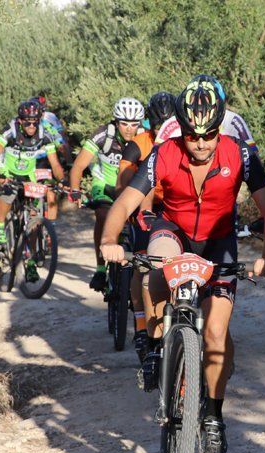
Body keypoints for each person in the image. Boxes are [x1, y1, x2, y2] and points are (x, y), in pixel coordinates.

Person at [99, 75, 265, 453]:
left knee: (216, 335)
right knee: (156, 266)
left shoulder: (240, 154)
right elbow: (125, 203)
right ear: (181, 128)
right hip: (174, 230)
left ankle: (213, 417)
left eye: (209, 135)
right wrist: (108, 241)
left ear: (220, 128)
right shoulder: (164, 153)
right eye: (193, 135)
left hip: (219, 240)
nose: (200, 144)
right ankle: (156, 340)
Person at [117, 91, 176, 360]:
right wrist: (136, 209)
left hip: (175, 206)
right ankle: (142, 324)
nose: (162, 129)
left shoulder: (183, 140)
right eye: (156, 124)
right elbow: (123, 184)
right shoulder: (139, 143)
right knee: (142, 266)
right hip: (144, 206)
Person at [69, 97, 146, 292]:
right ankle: (101, 268)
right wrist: (75, 190)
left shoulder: (144, 136)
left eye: (134, 124)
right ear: (116, 121)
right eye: (124, 123)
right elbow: (79, 164)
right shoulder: (104, 134)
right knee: (103, 216)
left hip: (131, 186)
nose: (129, 128)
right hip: (104, 184)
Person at [0, 101, 68, 281]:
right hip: (8, 171)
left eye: (35, 122)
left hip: (28, 175)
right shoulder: (10, 130)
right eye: (27, 122)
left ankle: (30, 262)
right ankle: (0, 225)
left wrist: (61, 180)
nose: (31, 126)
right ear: (20, 120)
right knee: (8, 193)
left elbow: (54, 162)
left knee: (33, 220)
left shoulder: (44, 135)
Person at [153, 80, 258, 154]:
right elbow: (155, 157)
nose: (201, 145)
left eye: (210, 135)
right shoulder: (171, 123)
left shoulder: (233, 120)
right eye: (191, 136)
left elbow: (254, 158)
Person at [31, 91, 73, 166]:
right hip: (31, 153)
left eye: (44, 110)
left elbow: (60, 133)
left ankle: (69, 165)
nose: (42, 113)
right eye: (40, 111)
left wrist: (61, 144)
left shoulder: (50, 117)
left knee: (63, 142)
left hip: (48, 148)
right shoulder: (26, 121)